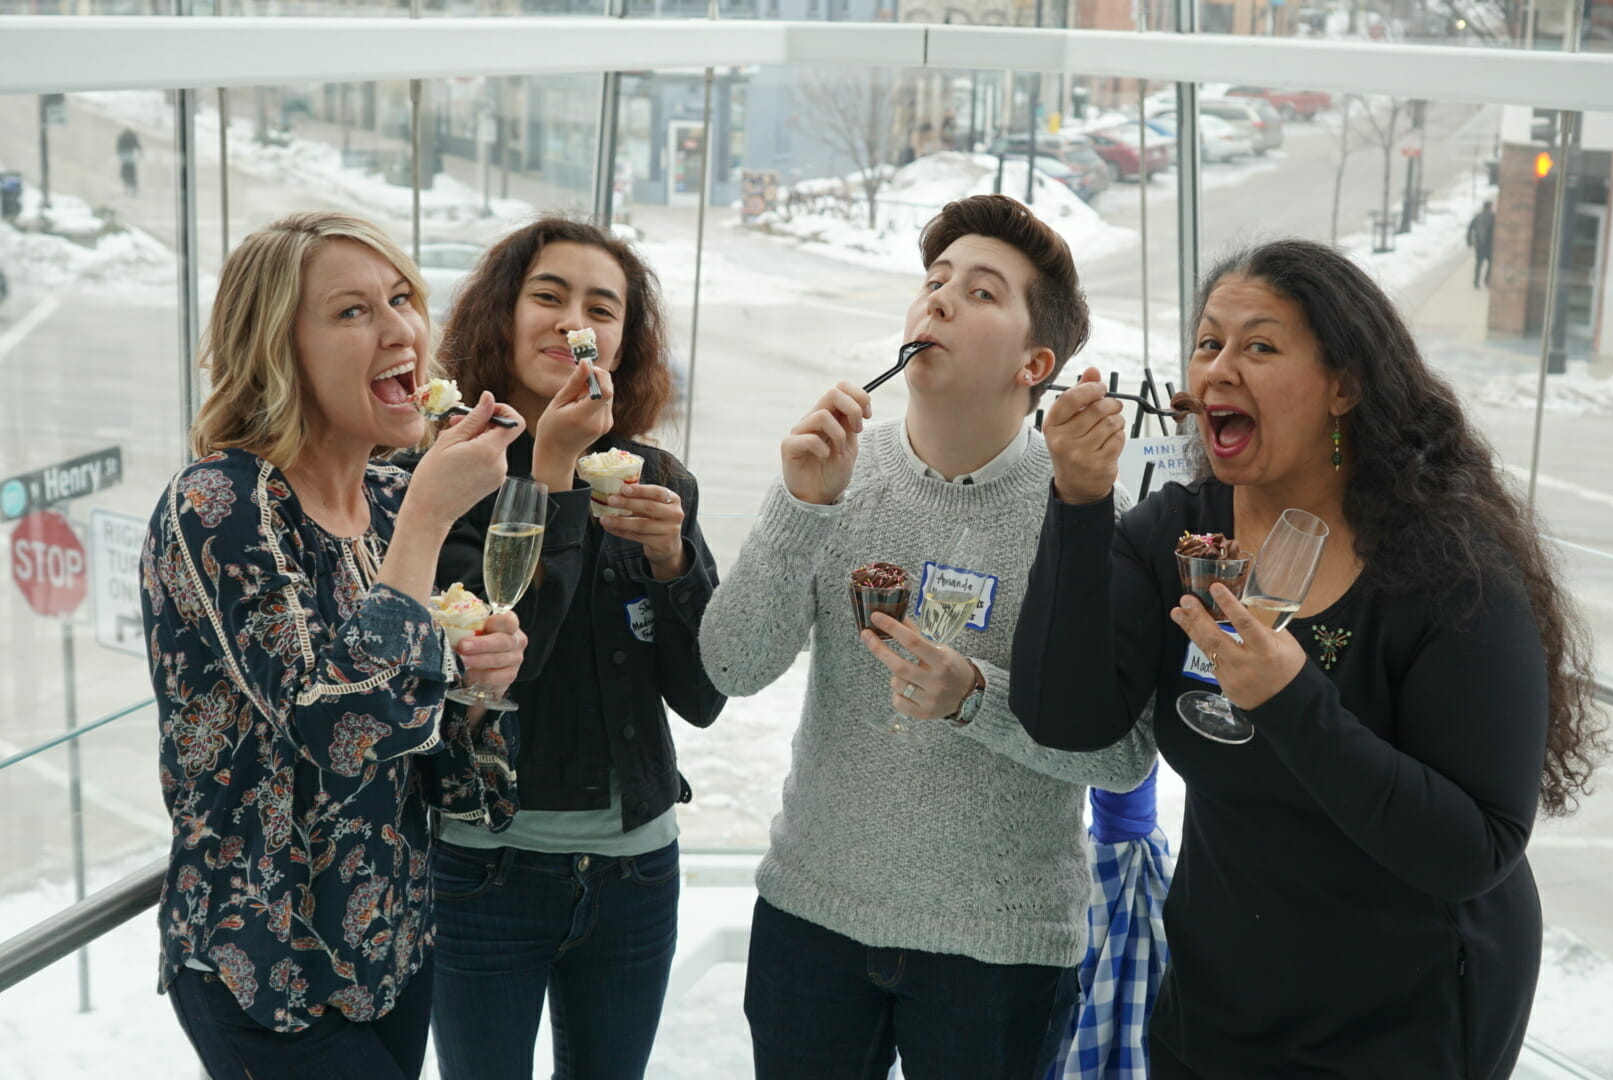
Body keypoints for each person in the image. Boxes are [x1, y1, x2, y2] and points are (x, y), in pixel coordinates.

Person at [1012, 238, 1604, 1079]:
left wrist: (1295, 703)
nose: (1219, 369)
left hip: (1407, 1023)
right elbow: (1065, 719)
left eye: (1260, 346)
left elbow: (1474, 849)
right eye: (1209, 342)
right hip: (1218, 1012)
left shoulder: (1446, 570)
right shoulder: (1179, 535)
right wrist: (1077, 504)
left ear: (1344, 385)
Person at [700, 193, 1156, 1080]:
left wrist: (975, 700)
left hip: (1002, 953)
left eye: (982, 292)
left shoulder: (1085, 511)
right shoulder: (840, 470)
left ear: (1036, 362)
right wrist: (800, 506)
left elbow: (1126, 757)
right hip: (812, 918)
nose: (937, 301)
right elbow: (731, 666)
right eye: (934, 282)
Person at [141, 211, 529, 1078]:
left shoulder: (389, 500)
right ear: (280, 349)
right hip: (267, 967)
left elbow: (423, 748)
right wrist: (433, 516)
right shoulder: (221, 504)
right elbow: (335, 726)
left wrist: (475, 683)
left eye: (401, 298)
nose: (400, 331)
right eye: (352, 312)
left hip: (390, 949)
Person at [422, 217, 726, 1080]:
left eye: (601, 306)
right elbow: (503, 664)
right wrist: (550, 473)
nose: (571, 321)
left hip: (635, 872)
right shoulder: (446, 469)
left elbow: (705, 696)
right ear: (501, 315)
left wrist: (673, 564)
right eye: (547, 296)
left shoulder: (656, 480)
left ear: (624, 341)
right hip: (485, 869)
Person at [1466, 199, 1495, 289]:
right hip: (1489, 245)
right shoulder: (1493, 217)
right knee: (1491, 264)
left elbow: (1470, 228)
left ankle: (1476, 281)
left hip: (1479, 245)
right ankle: (1487, 280)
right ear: (1490, 207)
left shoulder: (1478, 217)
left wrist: (1469, 241)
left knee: (1479, 264)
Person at [116, 127, 142, 196]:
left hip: (127, 158)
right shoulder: (131, 138)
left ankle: (130, 190)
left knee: (128, 175)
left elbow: (118, 147)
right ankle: (129, 189)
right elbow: (138, 146)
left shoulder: (125, 138)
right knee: (129, 175)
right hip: (128, 158)